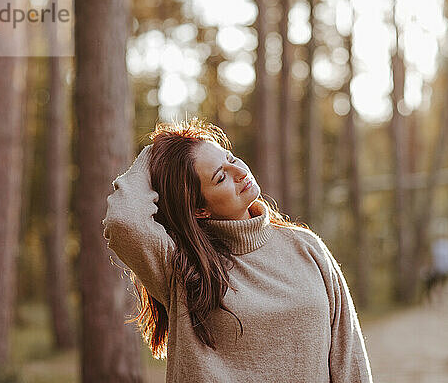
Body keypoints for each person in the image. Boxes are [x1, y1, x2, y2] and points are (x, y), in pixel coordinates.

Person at [103, 120, 372, 382]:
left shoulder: (306, 246)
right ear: (199, 210)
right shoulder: (181, 266)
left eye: (231, 159)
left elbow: (349, 358)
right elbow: (124, 221)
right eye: (221, 177)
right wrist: (156, 150)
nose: (240, 172)